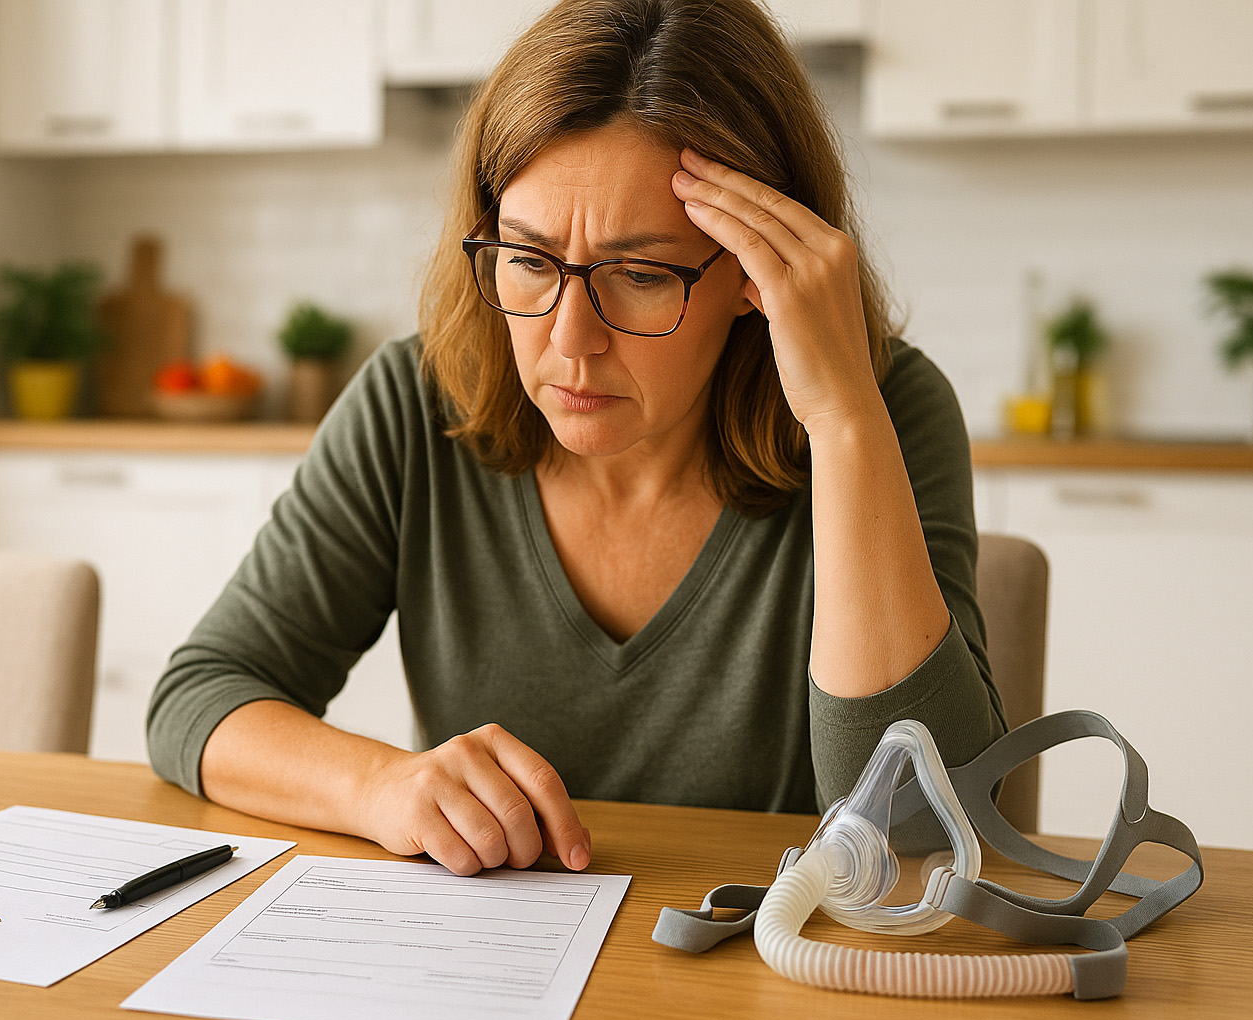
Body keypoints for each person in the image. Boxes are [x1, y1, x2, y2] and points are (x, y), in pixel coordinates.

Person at [147, 0, 1005, 877]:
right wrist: (380, 787)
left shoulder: (884, 411)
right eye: (528, 260)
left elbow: (924, 833)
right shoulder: (415, 402)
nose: (570, 342)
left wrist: (842, 421)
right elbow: (201, 698)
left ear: (757, 274)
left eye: (638, 275)